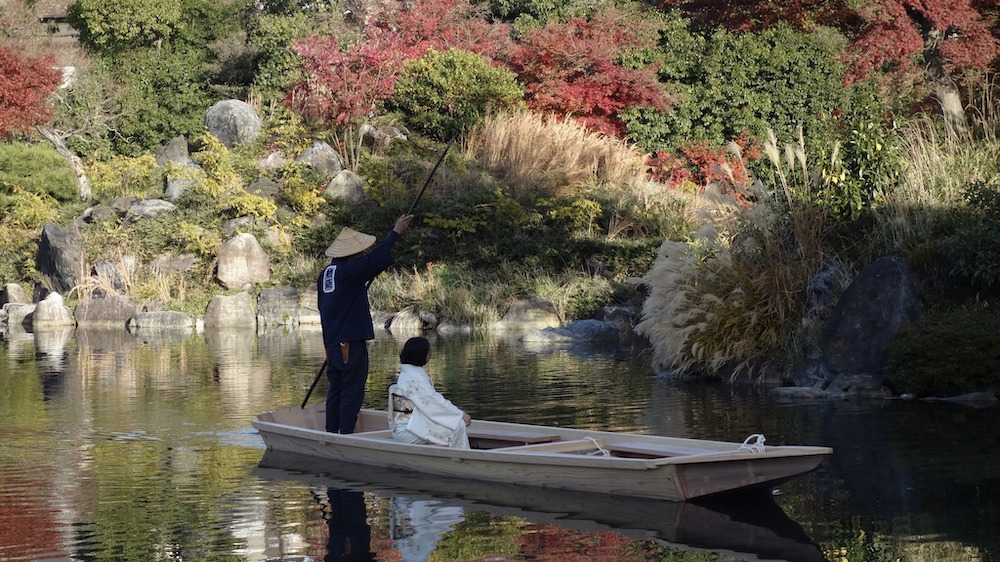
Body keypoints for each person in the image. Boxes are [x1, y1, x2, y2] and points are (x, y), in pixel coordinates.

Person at [318, 214, 414, 434]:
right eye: (359, 252)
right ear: (352, 254)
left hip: (333, 342)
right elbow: (374, 260)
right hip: (349, 341)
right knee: (352, 389)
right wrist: (395, 232)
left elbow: (324, 307)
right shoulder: (348, 270)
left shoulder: (326, 273)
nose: (361, 254)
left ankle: (333, 432)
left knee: (337, 389)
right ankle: (346, 435)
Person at [389, 337, 471, 449]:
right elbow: (433, 403)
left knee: (453, 424)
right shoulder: (414, 377)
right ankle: (459, 460)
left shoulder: (408, 373)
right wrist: (460, 415)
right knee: (457, 426)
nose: (430, 354)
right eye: (428, 351)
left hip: (410, 425)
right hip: (409, 429)